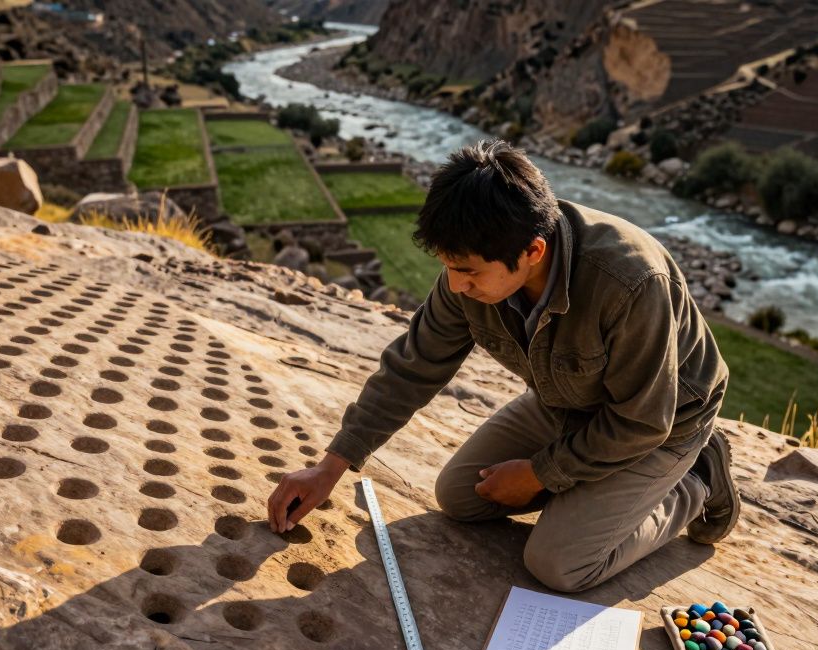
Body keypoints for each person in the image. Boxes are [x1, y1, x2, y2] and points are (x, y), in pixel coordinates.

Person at [265, 139, 738, 593]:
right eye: (448, 267)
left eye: (468, 272)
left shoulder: (630, 282)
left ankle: (695, 481)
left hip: (663, 420)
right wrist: (331, 467)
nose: (455, 285)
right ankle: (596, 492)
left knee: (559, 564)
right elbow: (414, 366)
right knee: (459, 496)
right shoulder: (476, 259)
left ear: (533, 251)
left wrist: (539, 474)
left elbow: (642, 421)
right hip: (566, 402)